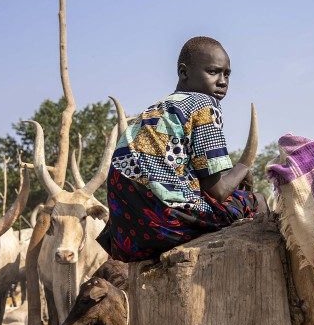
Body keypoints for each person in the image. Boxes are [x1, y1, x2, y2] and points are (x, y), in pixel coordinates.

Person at [102, 36, 261, 262]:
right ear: (184, 72)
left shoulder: (154, 111)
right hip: (167, 224)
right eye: (213, 72)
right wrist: (243, 168)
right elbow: (217, 191)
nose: (222, 81)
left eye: (227, 74)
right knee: (256, 201)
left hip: (127, 238)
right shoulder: (204, 104)